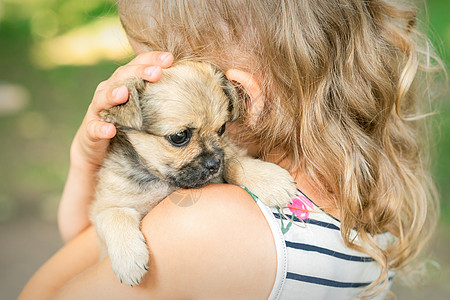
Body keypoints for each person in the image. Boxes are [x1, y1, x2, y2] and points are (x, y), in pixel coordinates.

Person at [19, 0, 443, 299]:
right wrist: (87, 161)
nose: (210, 156)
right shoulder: (370, 201)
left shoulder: (204, 226)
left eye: (154, 63)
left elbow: (50, 283)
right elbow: (94, 244)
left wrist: (84, 161)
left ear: (239, 92)